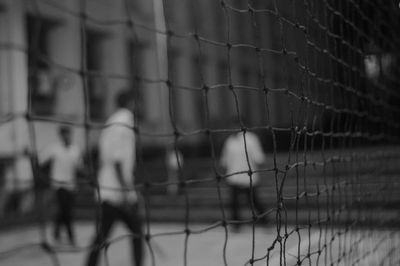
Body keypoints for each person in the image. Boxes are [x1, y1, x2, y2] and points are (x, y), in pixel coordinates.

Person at [86, 90, 143, 266]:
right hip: (116, 192)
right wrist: (126, 190)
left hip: (109, 189)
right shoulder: (124, 121)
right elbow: (117, 160)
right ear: (131, 102)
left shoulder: (111, 121)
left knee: (106, 235)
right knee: (133, 232)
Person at [40, 125, 81, 245]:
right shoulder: (54, 149)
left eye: (68, 133)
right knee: (66, 211)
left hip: (71, 185)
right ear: (61, 136)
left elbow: (78, 167)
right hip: (58, 185)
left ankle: (56, 233)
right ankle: (71, 237)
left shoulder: (76, 149)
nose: (66, 136)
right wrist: (45, 177)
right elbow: (42, 162)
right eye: (64, 134)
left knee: (64, 211)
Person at [220, 130, 268, 230]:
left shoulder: (251, 139)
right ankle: (236, 225)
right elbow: (225, 160)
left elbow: (259, 158)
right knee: (234, 203)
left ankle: (265, 221)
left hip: (248, 177)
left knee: (254, 202)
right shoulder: (229, 141)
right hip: (233, 177)